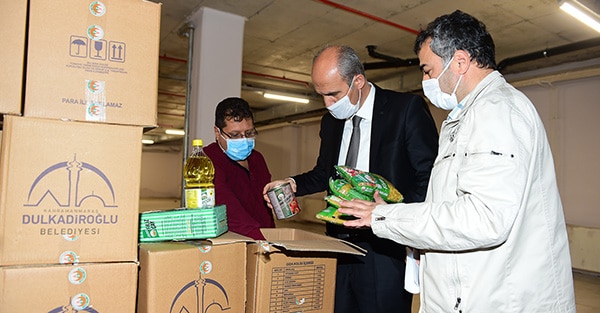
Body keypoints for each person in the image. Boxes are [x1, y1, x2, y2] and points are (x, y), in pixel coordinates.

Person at [338, 10, 576, 313]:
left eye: (428, 70)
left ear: (460, 62)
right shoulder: (467, 117)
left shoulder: (497, 112)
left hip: (500, 299)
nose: (425, 79)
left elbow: (484, 218)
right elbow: (452, 204)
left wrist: (385, 218)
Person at [264, 45, 439, 313]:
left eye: (333, 94)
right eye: (321, 95)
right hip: (338, 243)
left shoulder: (405, 110)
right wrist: (293, 184)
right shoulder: (331, 121)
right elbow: (326, 173)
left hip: (384, 248)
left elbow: (429, 177)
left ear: (358, 81)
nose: (327, 104)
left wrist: (390, 215)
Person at [204, 97, 275, 240]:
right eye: (235, 135)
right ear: (217, 133)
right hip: (235, 240)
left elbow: (265, 207)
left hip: (265, 238)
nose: (243, 140)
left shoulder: (257, 159)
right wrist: (262, 240)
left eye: (249, 133)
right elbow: (229, 211)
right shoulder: (208, 160)